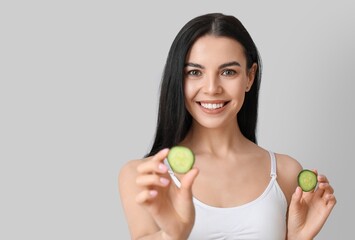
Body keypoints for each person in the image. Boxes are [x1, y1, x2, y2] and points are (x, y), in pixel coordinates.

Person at [118, 13, 336, 240]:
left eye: (228, 72)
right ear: (178, 79)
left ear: (250, 77)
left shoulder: (285, 172)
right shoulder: (144, 177)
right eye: (194, 72)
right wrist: (172, 235)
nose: (212, 88)